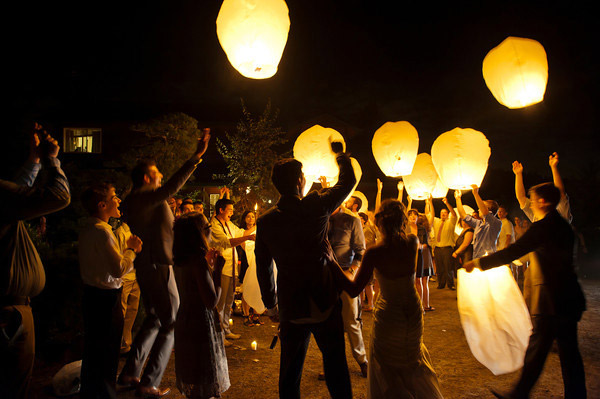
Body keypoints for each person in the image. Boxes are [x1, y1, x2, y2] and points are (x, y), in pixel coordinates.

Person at [464, 183, 586, 399]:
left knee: (539, 352)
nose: (528, 203)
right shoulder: (563, 226)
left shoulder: (544, 227)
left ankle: (519, 394)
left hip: (551, 301)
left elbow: (512, 251)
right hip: (568, 298)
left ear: (543, 202)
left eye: (531, 198)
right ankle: (566, 395)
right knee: (566, 355)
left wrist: (479, 264)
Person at [256, 141, 355, 399]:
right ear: (301, 180)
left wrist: (271, 304)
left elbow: (263, 265)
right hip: (324, 300)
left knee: (290, 375)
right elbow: (348, 181)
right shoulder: (316, 205)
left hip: (292, 305)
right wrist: (339, 154)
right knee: (336, 369)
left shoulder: (266, 222)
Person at [118, 130, 211, 398]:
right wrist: (195, 157)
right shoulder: (142, 198)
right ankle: (148, 383)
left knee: (155, 319)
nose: (160, 176)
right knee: (171, 321)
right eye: (157, 172)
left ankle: (130, 374)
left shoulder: (138, 200)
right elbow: (172, 187)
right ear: (147, 178)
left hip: (151, 265)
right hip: (157, 265)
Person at [328, 199, 444, 399]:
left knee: (387, 365)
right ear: (403, 221)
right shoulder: (412, 242)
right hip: (412, 309)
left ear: (379, 221)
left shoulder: (375, 251)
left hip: (390, 313)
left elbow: (354, 289)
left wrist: (331, 262)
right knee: (412, 358)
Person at [0, 125, 70, 399]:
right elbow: (59, 196)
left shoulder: (5, 200)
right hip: (8, 311)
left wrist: (34, 160)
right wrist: (52, 159)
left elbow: (17, 194)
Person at [78, 183, 143, 398]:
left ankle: (94, 391)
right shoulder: (101, 232)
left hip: (92, 296)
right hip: (105, 298)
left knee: (95, 351)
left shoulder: (90, 228)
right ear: (102, 204)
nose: (119, 201)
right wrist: (132, 250)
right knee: (106, 351)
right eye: (114, 197)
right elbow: (118, 270)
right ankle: (105, 392)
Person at [172, 212, 230, 398]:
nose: (210, 230)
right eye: (207, 227)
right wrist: (217, 271)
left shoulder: (179, 260)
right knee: (203, 376)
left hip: (184, 319)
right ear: (198, 233)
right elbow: (211, 300)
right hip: (199, 323)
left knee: (194, 374)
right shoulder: (197, 261)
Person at [326, 203, 368, 378]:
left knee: (351, 320)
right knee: (327, 323)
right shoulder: (321, 219)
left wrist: (351, 271)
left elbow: (361, 249)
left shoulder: (351, 221)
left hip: (345, 274)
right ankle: (331, 364)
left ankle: (362, 361)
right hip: (325, 276)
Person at [210, 198, 255, 343]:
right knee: (220, 302)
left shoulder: (228, 224)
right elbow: (227, 242)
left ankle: (225, 330)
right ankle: (218, 334)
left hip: (232, 268)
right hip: (221, 269)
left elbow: (240, 233)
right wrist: (248, 237)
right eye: (229, 210)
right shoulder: (214, 225)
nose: (232, 213)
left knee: (229, 301)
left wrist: (255, 227)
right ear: (221, 210)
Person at [513, 153, 572, 224]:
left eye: (532, 202)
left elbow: (560, 193)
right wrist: (518, 174)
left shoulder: (560, 215)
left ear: (541, 202)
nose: (531, 206)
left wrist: (554, 167)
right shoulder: (537, 218)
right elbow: (521, 198)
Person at [113, 221, 141, 356]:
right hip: (125, 277)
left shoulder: (136, 231)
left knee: (132, 310)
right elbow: (119, 256)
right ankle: (118, 344)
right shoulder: (120, 233)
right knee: (122, 310)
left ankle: (126, 343)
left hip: (136, 275)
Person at [454, 186, 502, 259]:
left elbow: (485, 213)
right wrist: (458, 199)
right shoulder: (478, 223)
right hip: (477, 258)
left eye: (481, 206)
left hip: (489, 258)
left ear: (489, 210)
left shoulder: (496, 223)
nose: (479, 209)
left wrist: (475, 194)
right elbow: (463, 216)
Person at [239, 210, 265, 326]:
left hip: (258, 259)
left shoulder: (259, 228)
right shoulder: (242, 232)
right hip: (247, 259)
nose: (250, 219)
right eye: (248, 217)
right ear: (244, 219)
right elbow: (243, 246)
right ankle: (245, 314)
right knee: (247, 285)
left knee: (257, 285)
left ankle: (256, 314)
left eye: (252, 217)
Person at [426, 195, 457, 290]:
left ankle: (450, 284)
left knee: (448, 267)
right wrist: (429, 202)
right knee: (439, 268)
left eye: (445, 213)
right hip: (438, 248)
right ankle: (441, 283)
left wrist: (447, 203)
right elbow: (429, 214)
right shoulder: (436, 221)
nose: (443, 214)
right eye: (441, 213)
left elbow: (454, 213)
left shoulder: (451, 221)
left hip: (447, 248)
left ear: (448, 214)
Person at [407, 209, 435, 312]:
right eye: (410, 215)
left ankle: (423, 305)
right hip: (408, 257)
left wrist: (420, 246)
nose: (413, 217)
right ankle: (413, 305)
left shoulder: (422, 228)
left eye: (415, 215)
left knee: (421, 280)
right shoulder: (404, 229)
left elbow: (426, 243)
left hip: (420, 256)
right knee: (411, 281)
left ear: (418, 217)